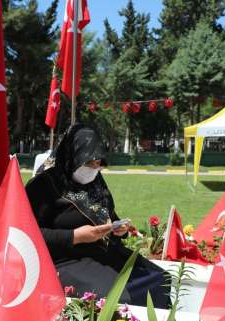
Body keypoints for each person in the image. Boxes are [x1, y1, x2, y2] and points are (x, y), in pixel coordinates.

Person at [25, 124, 169, 307]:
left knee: (158, 280)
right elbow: (27, 234)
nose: (94, 168)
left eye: (98, 163)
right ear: (72, 155)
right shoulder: (44, 185)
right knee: (118, 300)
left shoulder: (95, 181)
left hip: (102, 252)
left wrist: (119, 228)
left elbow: (107, 214)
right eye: (88, 162)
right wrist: (74, 236)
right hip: (64, 259)